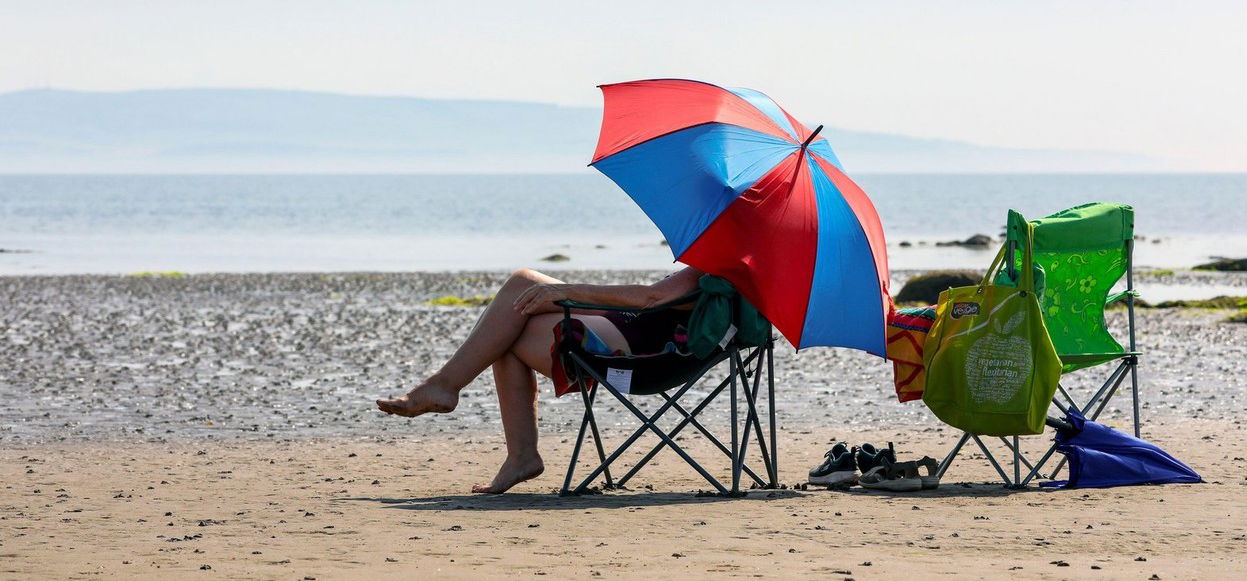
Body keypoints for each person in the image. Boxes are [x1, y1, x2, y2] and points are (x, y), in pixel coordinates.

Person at [376, 266, 703, 493]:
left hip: (647, 354)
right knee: (520, 293)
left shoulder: (721, 256)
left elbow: (651, 299)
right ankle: (456, 397)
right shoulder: (737, 260)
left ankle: (456, 397)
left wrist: (565, 291)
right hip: (641, 334)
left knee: (508, 325)